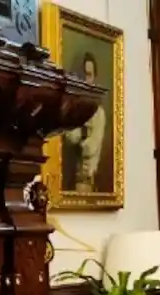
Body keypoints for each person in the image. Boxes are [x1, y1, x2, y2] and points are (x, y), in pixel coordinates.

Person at [62, 52, 108, 192]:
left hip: (87, 182)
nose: (86, 80)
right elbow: (70, 137)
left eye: (89, 75)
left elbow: (89, 148)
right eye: (83, 75)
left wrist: (79, 132)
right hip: (70, 180)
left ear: (94, 77)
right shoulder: (72, 107)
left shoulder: (99, 113)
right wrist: (84, 132)